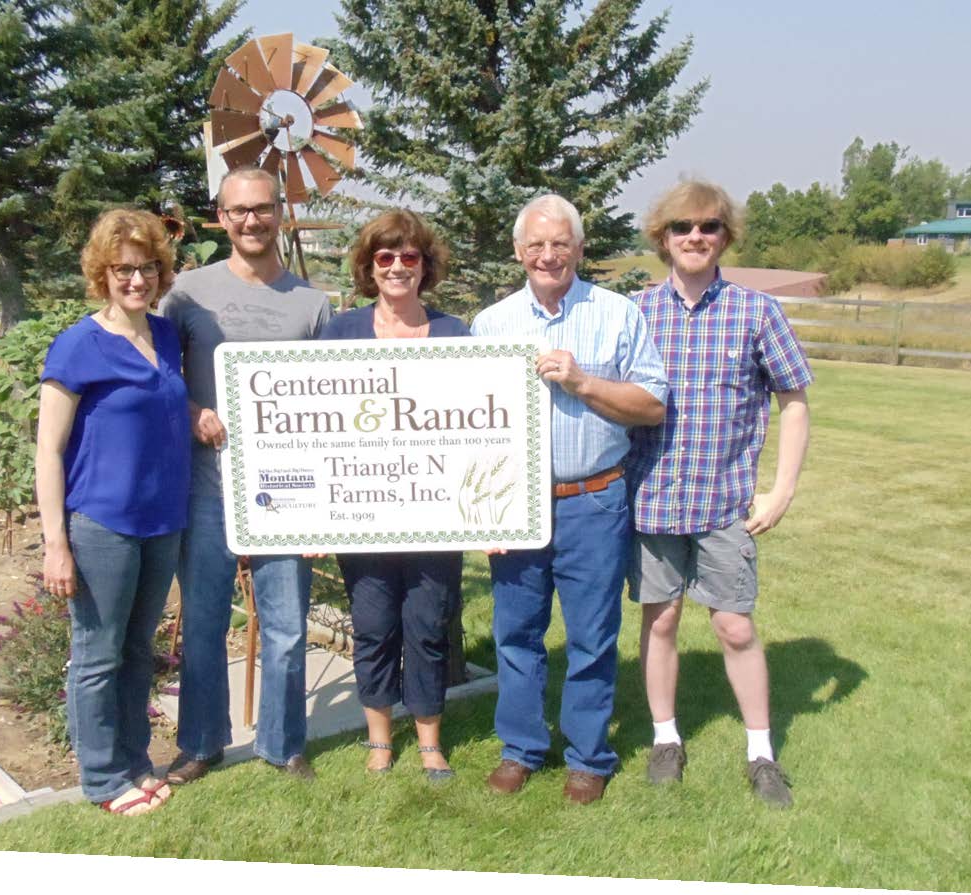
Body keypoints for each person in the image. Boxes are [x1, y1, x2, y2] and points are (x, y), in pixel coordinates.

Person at [470, 194, 668, 804]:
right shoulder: (491, 324)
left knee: (591, 634)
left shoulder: (617, 314)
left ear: (579, 249)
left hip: (594, 499)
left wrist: (582, 381)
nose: (548, 255)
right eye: (536, 244)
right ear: (518, 251)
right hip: (515, 503)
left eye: (560, 243)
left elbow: (652, 404)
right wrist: (480, 513)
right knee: (516, 633)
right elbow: (470, 425)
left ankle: (588, 756)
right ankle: (521, 748)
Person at [625, 180, 813, 808]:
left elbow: (794, 401)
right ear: (663, 238)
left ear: (725, 236)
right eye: (682, 227)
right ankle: (665, 739)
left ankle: (761, 752)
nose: (695, 236)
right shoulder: (636, 312)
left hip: (725, 504)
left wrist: (781, 490)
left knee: (734, 626)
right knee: (661, 620)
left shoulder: (757, 312)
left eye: (708, 226)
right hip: (651, 500)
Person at [160, 167, 332, 785]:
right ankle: (201, 743)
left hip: (288, 492)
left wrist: (324, 509)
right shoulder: (187, 294)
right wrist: (191, 413)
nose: (252, 220)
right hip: (209, 487)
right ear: (221, 217)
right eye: (239, 211)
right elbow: (158, 377)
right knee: (204, 621)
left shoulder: (312, 303)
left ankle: (283, 744)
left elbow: (327, 403)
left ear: (279, 213)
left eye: (262, 208)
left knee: (286, 626)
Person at [36, 208, 189, 815]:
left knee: (137, 650)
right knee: (98, 655)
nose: (136, 279)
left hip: (162, 522)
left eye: (147, 267)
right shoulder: (79, 345)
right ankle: (102, 779)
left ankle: (134, 761)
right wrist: (56, 543)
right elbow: (48, 450)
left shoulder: (166, 336)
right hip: (103, 524)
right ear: (102, 273)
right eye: (123, 269)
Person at [319, 210, 469, 781]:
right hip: (363, 512)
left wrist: (494, 517)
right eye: (385, 256)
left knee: (428, 626)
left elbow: (482, 430)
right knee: (374, 625)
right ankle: (380, 740)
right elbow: (315, 429)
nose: (398, 266)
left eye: (410, 256)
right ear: (369, 266)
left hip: (436, 512)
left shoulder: (455, 334)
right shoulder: (340, 334)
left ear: (425, 266)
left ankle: (429, 741)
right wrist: (311, 519)